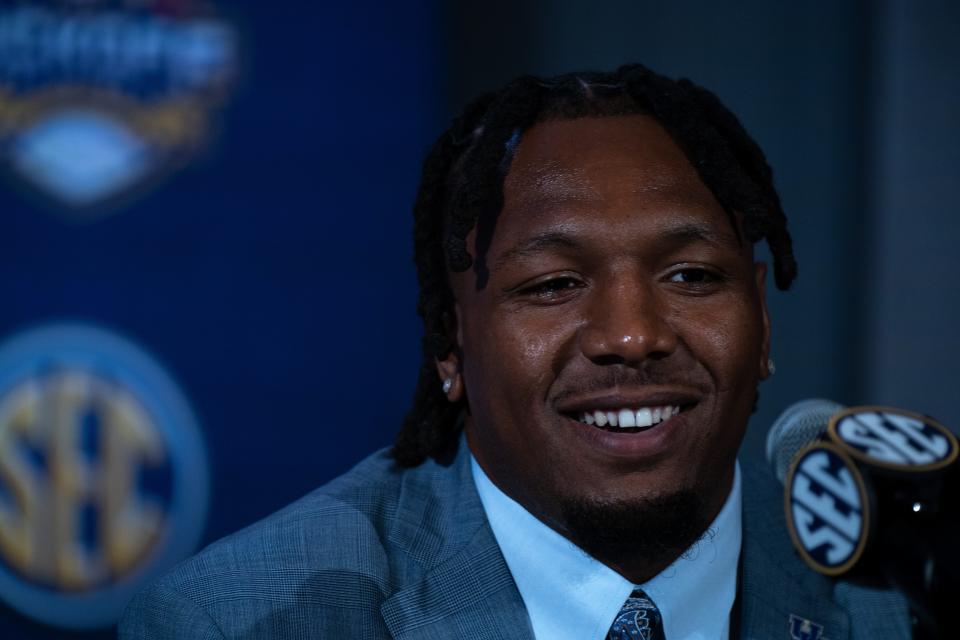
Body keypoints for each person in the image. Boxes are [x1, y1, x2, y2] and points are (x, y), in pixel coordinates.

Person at [120, 64, 910, 639]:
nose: (632, 336)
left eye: (691, 274)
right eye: (552, 285)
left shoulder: (895, 599)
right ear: (450, 348)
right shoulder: (241, 620)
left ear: (763, 323)